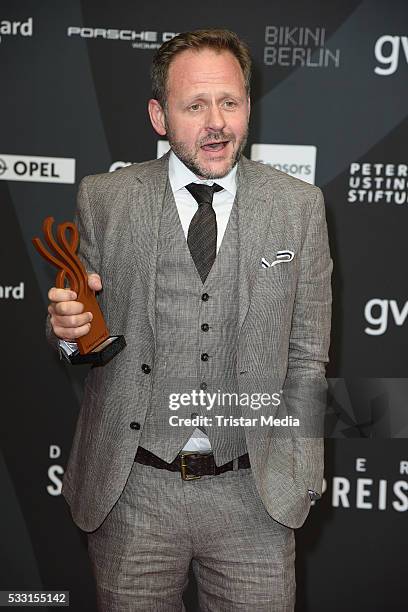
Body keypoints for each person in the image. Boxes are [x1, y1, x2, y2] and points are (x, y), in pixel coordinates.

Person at [46, 28, 332, 612]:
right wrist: (70, 334)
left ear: (249, 107)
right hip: (134, 492)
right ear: (159, 115)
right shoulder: (106, 199)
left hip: (254, 493)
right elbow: (83, 340)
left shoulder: (298, 207)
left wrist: (301, 468)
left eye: (229, 101)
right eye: (194, 105)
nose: (216, 122)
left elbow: (308, 358)